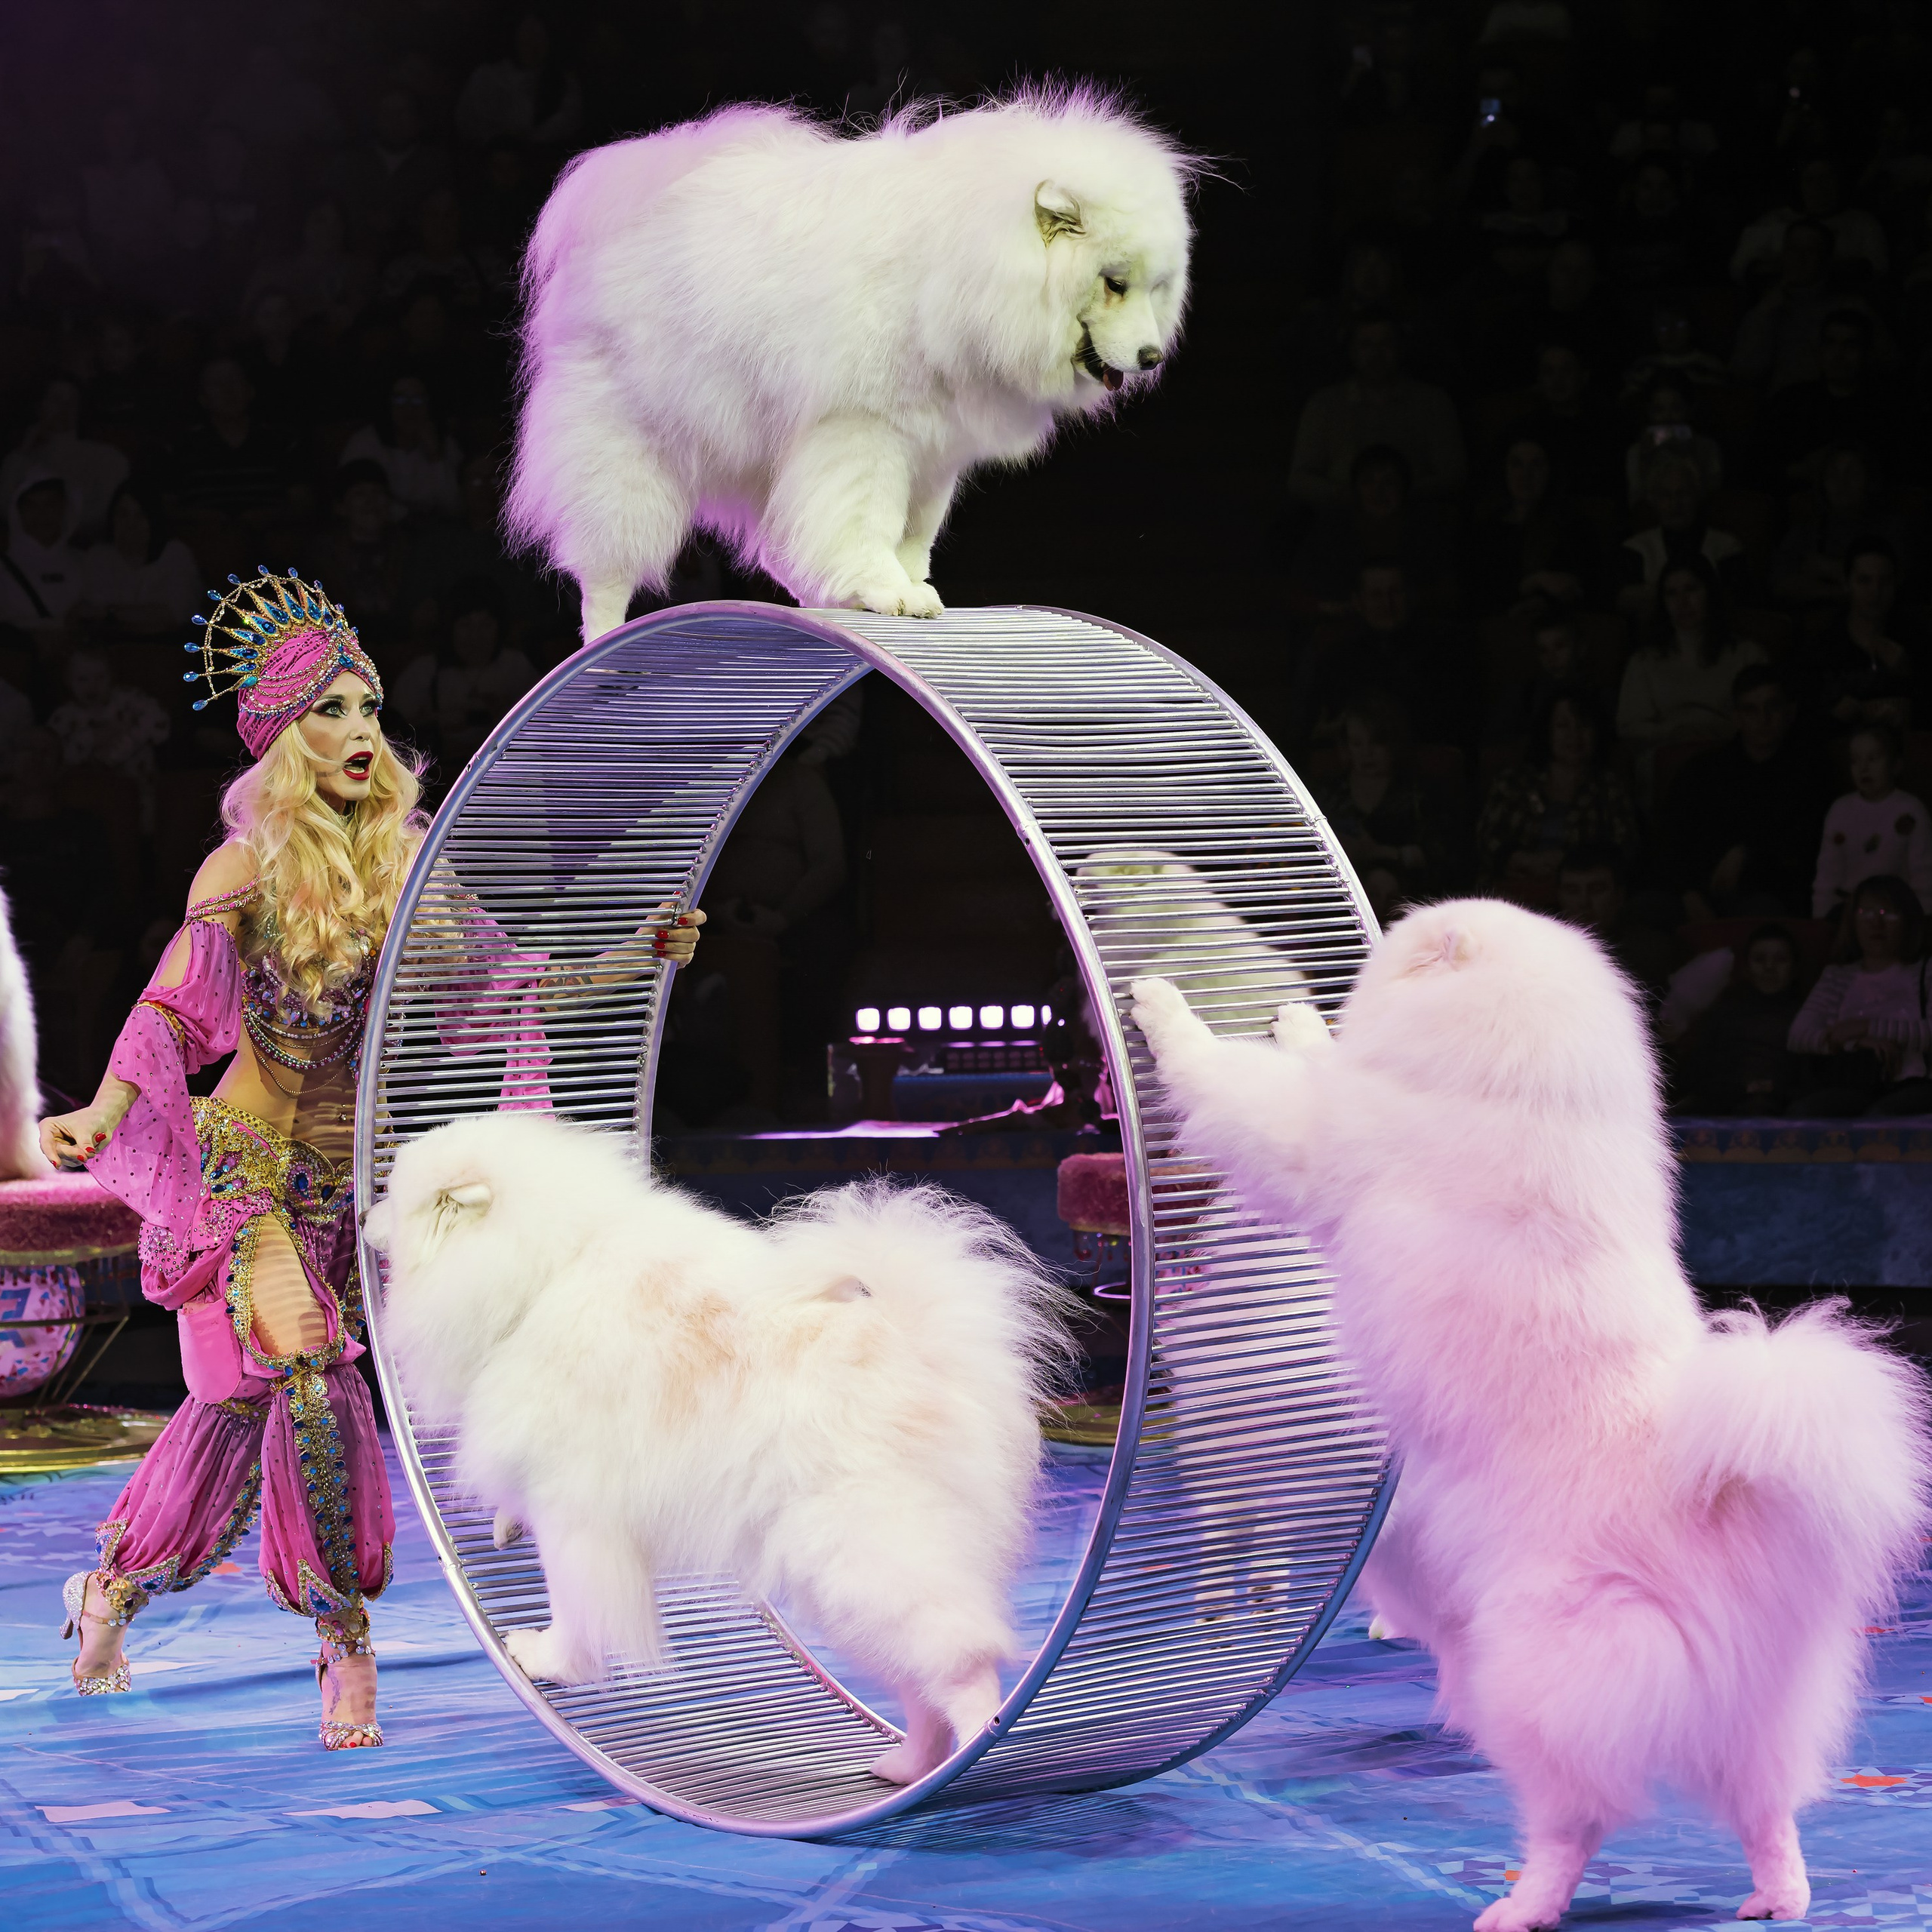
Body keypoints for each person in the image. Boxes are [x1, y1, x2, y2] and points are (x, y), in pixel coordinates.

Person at [36, 571, 704, 1740]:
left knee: (235, 1410)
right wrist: (103, 1111)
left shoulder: (411, 865)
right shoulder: (241, 871)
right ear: (280, 740)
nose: (361, 733)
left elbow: (499, 991)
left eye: (370, 710)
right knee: (311, 1368)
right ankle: (346, 1645)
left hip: (350, 1186)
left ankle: (113, 1586)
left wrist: (634, 956)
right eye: (331, 712)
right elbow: (174, 1012)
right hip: (246, 1166)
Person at [1660, 665, 1838, 921]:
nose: (1763, 719)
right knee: (1647, 910)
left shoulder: (1811, 770)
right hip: (1693, 892)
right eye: (1751, 710)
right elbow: (1671, 839)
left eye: (1772, 707)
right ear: (1737, 717)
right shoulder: (1702, 771)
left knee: (1763, 911)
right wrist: (1688, 893)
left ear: (1790, 711)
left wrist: (1749, 854)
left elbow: (1808, 845)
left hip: (1770, 895)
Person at [1476, 684, 1639, 902]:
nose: (1574, 735)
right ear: (1548, 732)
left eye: (1583, 725)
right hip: (1512, 891)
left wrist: (1571, 862)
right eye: (1563, 726)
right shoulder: (1514, 782)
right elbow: (1486, 838)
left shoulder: (1609, 787)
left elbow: (1625, 847)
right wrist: (1521, 860)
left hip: (1583, 898)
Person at [1787, 875, 1932, 1116]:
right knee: (1805, 1112)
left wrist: (1865, 1027)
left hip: (1916, 1083)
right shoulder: (1838, 976)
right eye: (1865, 913)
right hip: (1854, 1080)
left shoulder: (1926, 971)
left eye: (1888, 913)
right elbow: (1799, 1035)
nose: (1876, 923)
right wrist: (1856, 1042)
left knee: (1880, 1117)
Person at [1287, 315, 1467, 506]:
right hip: (1342, 516)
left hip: (1418, 515)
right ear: (1352, 352)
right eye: (1366, 345)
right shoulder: (1324, 405)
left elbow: (1453, 474)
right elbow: (1300, 479)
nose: (1377, 353)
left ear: (1400, 348)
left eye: (1386, 343)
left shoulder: (1432, 402)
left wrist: (1402, 495)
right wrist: (1346, 496)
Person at [1314, 692, 1461, 921]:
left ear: (1394, 743)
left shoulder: (1417, 794)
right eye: (1357, 743)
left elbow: (1442, 856)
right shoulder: (1330, 794)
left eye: (1377, 742)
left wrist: (1379, 852)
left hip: (1410, 903)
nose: (1367, 753)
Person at [1617, 554, 1764, 758]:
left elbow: (1764, 718)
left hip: (1730, 756)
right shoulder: (1644, 662)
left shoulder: (1747, 655)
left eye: (1691, 589)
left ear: (1710, 593)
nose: (1682, 602)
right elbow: (1629, 728)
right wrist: (1672, 733)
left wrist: (1715, 733)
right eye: (1672, 593)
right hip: (1667, 757)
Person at [1663, 924, 1807, 1115]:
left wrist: (1776, 1089)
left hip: (1783, 1108)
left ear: (1794, 967)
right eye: (1759, 959)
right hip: (1721, 1101)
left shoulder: (1808, 1015)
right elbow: (1697, 1068)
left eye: (1780, 960)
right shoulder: (1725, 1012)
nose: (1769, 967)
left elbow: (1811, 1076)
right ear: (1746, 967)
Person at [1813, 724, 1932, 918]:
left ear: (1895, 765)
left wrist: (1924, 918)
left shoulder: (1911, 809)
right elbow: (1828, 873)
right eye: (1855, 761)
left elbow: (1923, 874)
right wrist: (1821, 917)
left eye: (1873, 759)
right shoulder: (1840, 810)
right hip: (1849, 908)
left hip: (1895, 909)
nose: (1863, 768)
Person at [1803, 540, 1923, 730]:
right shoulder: (1823, 644)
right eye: (1864, 581)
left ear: (1895, 584)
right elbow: (1804, 713)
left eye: (1885, 581)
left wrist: (1909, 673)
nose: (1875, 592)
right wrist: (1833, 715)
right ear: (1847, 583)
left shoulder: (1915, 637)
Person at [1614, 454, 1746, 620]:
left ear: (1697, 496)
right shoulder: (1636, 549)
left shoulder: (1726, 547)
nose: (1675, 504)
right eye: (1665, 495)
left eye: (1683, 494)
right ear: (1654, 501)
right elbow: (1619, 602)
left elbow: (1738, 601)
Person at [78, 481, 201, 638]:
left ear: (153, 520)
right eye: (123, 515)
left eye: (140, 515)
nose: (131, 525)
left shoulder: (176, 554)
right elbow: (87, 612)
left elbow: (176, 614)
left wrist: (110, 613)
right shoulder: (98, 557)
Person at [340, 376, 463, 521]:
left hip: (439, 528)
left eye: (418, 400)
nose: (409, 409)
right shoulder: (364, 444)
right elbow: (352, 502)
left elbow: (455, 505)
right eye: (399, 400)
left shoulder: (446, 444)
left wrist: (435, 456)